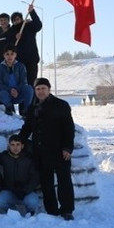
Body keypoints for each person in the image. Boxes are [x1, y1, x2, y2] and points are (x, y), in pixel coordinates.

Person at [19, 78, 76, 220]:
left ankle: (67, 210)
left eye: (43, 88)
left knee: (64, 181)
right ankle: (51, 210)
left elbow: (69, 128)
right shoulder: (33, 108)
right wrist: (18, 141)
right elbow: (27, 128)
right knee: (46, 183)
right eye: (38, 89)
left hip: (59, 151)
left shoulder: (61, 105)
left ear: (49, 89)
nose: (40, 91)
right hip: (41, 152)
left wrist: (68, 148)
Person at [0, 135, 40, 216]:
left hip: (26, 192)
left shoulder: (29, 159)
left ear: (22, 146)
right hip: (10, 191)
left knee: (33, 202)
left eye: (18, 144)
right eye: (13, 145)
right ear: (9, 146)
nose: (15, 147)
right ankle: (12, 213)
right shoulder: (4, 157)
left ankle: (30, 214)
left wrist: (25, 190)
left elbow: (35, 178)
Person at [7, 4, 43, 86]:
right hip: (18, 62)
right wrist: (15, 39)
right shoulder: (11, 31)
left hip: (31, 60)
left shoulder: (29, 26)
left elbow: (38, 25)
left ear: (21, 19)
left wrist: (32, 12)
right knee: (20, 83)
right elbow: (9, 46)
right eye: (14, 20)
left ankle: (32, 98)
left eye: (17, 19)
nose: (16, 21)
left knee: (31, 83)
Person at [0, 44, 34, 116]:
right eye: (7, 54)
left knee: (29, 88)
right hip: (6, 95)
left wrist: (16, 90)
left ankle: (26, 111)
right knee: (2, 93)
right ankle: (9, 108)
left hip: (18, 94)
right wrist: (10, 90)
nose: (10, 56)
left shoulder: (21, 66)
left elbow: (24, 81)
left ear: (15, 55)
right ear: (4, 55)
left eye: (12, 54)